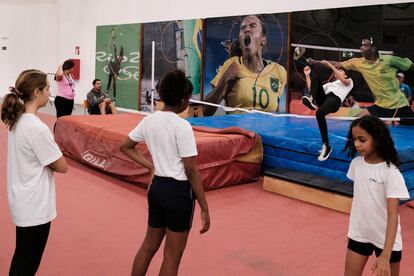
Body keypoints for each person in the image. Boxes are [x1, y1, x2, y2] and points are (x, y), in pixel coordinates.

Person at [120, 69, 210, 276]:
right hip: (178, 192)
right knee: (172, 256)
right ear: (182, 100)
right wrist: (204, 207)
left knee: (148, 247)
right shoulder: (182, 126)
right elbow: (191, 170)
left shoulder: (149, 121)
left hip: (157, 188)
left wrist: (150, 166)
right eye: (188, 98)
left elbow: (125, 146)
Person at [1, 69, 68, 275]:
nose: (50, 93)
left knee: (23, 256)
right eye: (48, 88)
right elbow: (61, 166)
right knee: (27, 262)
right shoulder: (36, 128)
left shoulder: (18, 121)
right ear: (37, 92)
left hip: (23, 200)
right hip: (34, 206)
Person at [343, 115, 409, 276]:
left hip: (386, 241)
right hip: (360, 234)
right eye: (354, 139)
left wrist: (385, 256)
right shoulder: (356, 165)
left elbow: (393, 215)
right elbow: (361, 199)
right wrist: (354, 228)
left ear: (377, 139)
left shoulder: (390, 173)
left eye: (362, 140)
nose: (357, 144)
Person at [308, 36, 414, 125]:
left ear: (373, 48)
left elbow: (410, 66)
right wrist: (316, 62)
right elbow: (337, 64)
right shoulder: (358, 63)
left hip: (399, 105)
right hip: (381, 106)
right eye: (361, 45)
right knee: (357, 122)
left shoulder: (389, 60)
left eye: (365, 45)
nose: (361, 47)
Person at [203, 15, 287, 116]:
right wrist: (224, 80)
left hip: (266, 131)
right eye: (243, 28)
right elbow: (203, 111)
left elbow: (275, 110)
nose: (247, 29)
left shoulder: (278, 70)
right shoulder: (231, 65)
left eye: (252, 26)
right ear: (240, 39)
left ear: (263, 40)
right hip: (239, 131)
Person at [302, 60, 353, 161]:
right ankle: (311, 99)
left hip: (335, 100)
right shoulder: (330, 85)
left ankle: (326, 146)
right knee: (315, 77)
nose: (337, 72)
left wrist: (330, 65)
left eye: (340, 71)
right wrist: (307, 75)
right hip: (324, 99)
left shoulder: (349, 81)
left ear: (345, 75)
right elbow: (312, 87)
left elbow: (344, 80)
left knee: (319, 113)